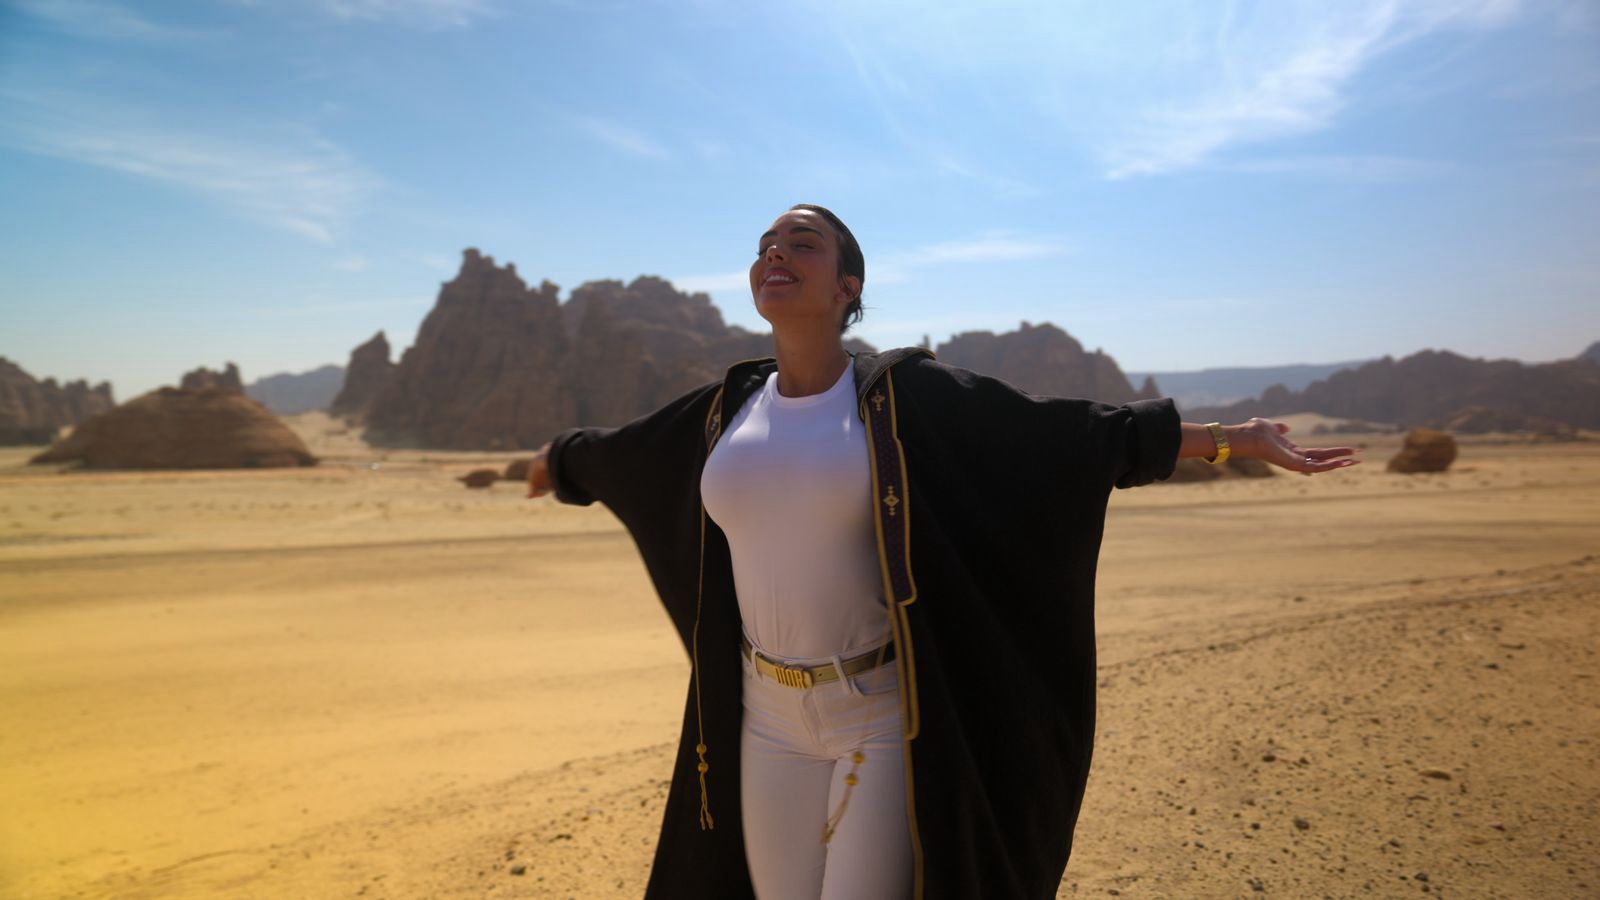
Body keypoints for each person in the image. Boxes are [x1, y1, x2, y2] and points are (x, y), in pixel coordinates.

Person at [523, 204, 1359, 900]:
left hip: (879, 714)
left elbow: (1064, 437)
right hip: (763, 718)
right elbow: (624, 453)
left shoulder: (903, 398)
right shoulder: (725, 410)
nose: (775, 253)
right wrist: (557, 463)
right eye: (765, 245)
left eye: (802, 244)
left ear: (848, 287)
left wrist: (1233, 437)